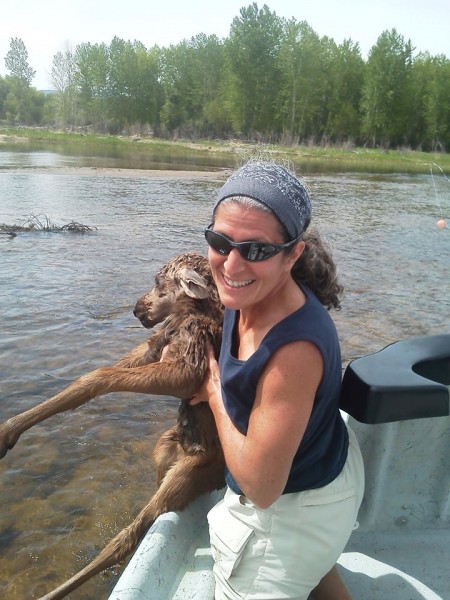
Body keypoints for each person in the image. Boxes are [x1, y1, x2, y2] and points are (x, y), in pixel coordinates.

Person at [191, 160, 365, 600]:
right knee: (317, 568)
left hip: (294, 502)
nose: (231, 263)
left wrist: (213, 392)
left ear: (294, 254)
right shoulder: (245, 289)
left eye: (256, 249)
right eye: (220, 240)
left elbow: (263, 488)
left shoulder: (294, 350)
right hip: (324, 466)